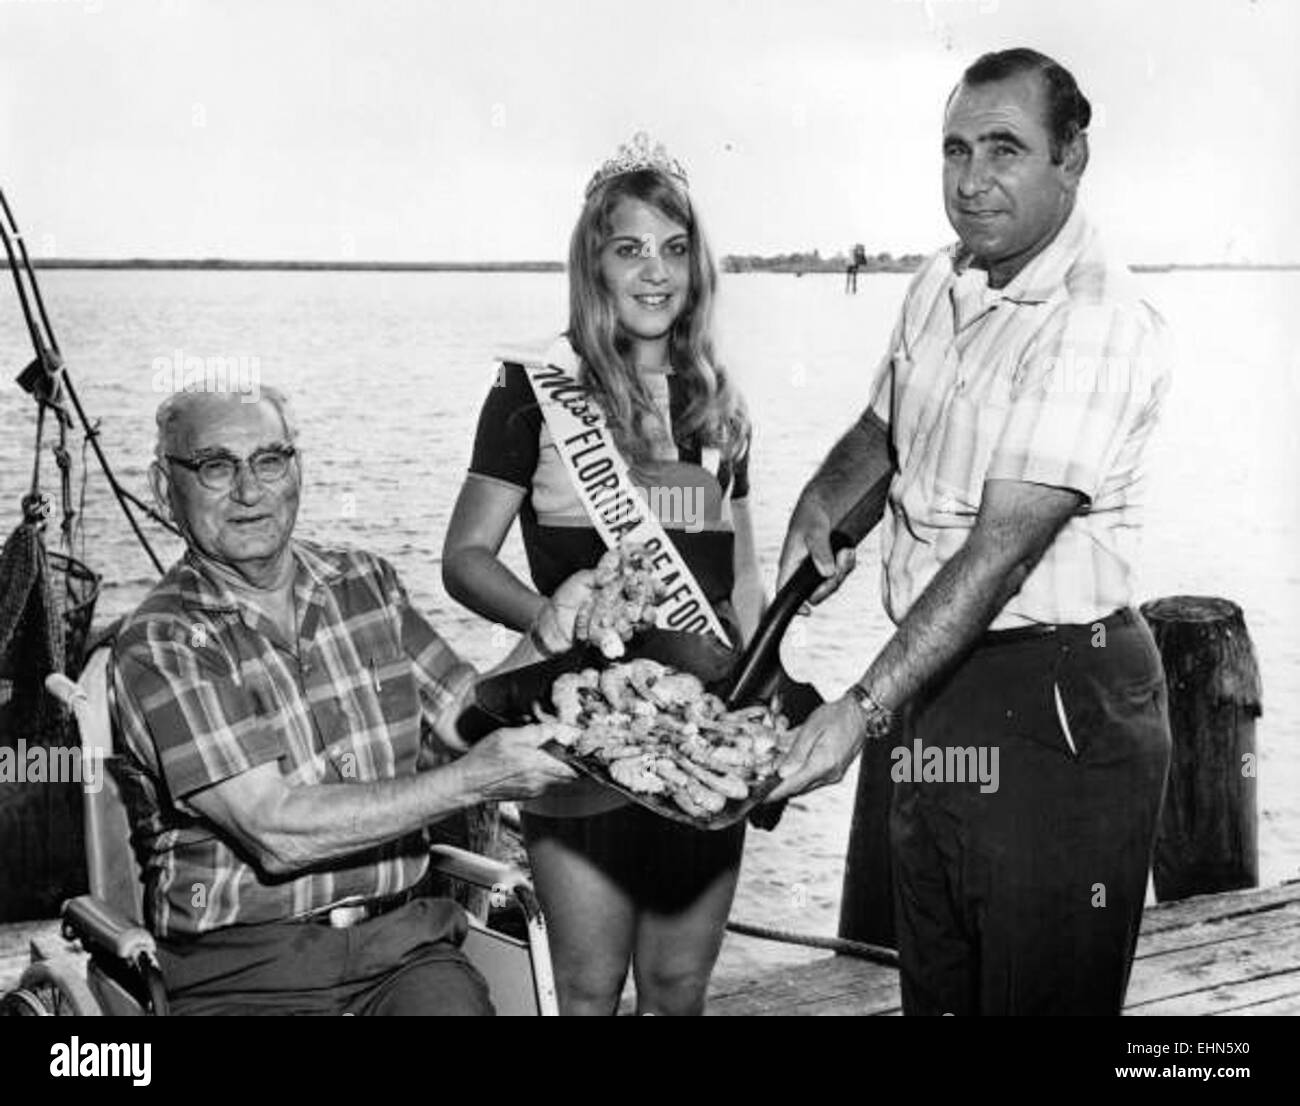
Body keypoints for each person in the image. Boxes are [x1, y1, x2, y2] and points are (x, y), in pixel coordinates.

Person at [769, 48, 1174, 1016]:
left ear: (1071, 159)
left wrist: (854, 713)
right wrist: (821, 505)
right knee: (936, 997)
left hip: (1053, 706)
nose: (971, 179)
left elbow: (998, 553)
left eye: (1005, 150)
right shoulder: (941, 281)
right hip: (935, 692)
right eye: (955, 150)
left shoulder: (1097, 319)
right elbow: (881, 431)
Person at [113, 388, 593, 1016]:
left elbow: (464, 718)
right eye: (216, 466)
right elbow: (275, 829)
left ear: (298, 469)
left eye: (269, 460)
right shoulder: (162, 638)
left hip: (402, 949)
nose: (250, 492)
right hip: (241, 970)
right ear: (161, 486)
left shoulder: (365, 583)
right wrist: (471, 783)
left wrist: (547, 636)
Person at [442, 133, 764, 1015]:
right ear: (595, 265)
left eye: (674, 248)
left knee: (676, 990)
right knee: (586, 994)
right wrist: (545, 614)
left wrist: (756, 694)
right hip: (580, 725)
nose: (654, 273)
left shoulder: (718, 404)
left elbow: (741, 581)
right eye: (630, 249)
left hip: (697, 725)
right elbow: (464, 559)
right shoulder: (533, 391)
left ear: (698, 267)